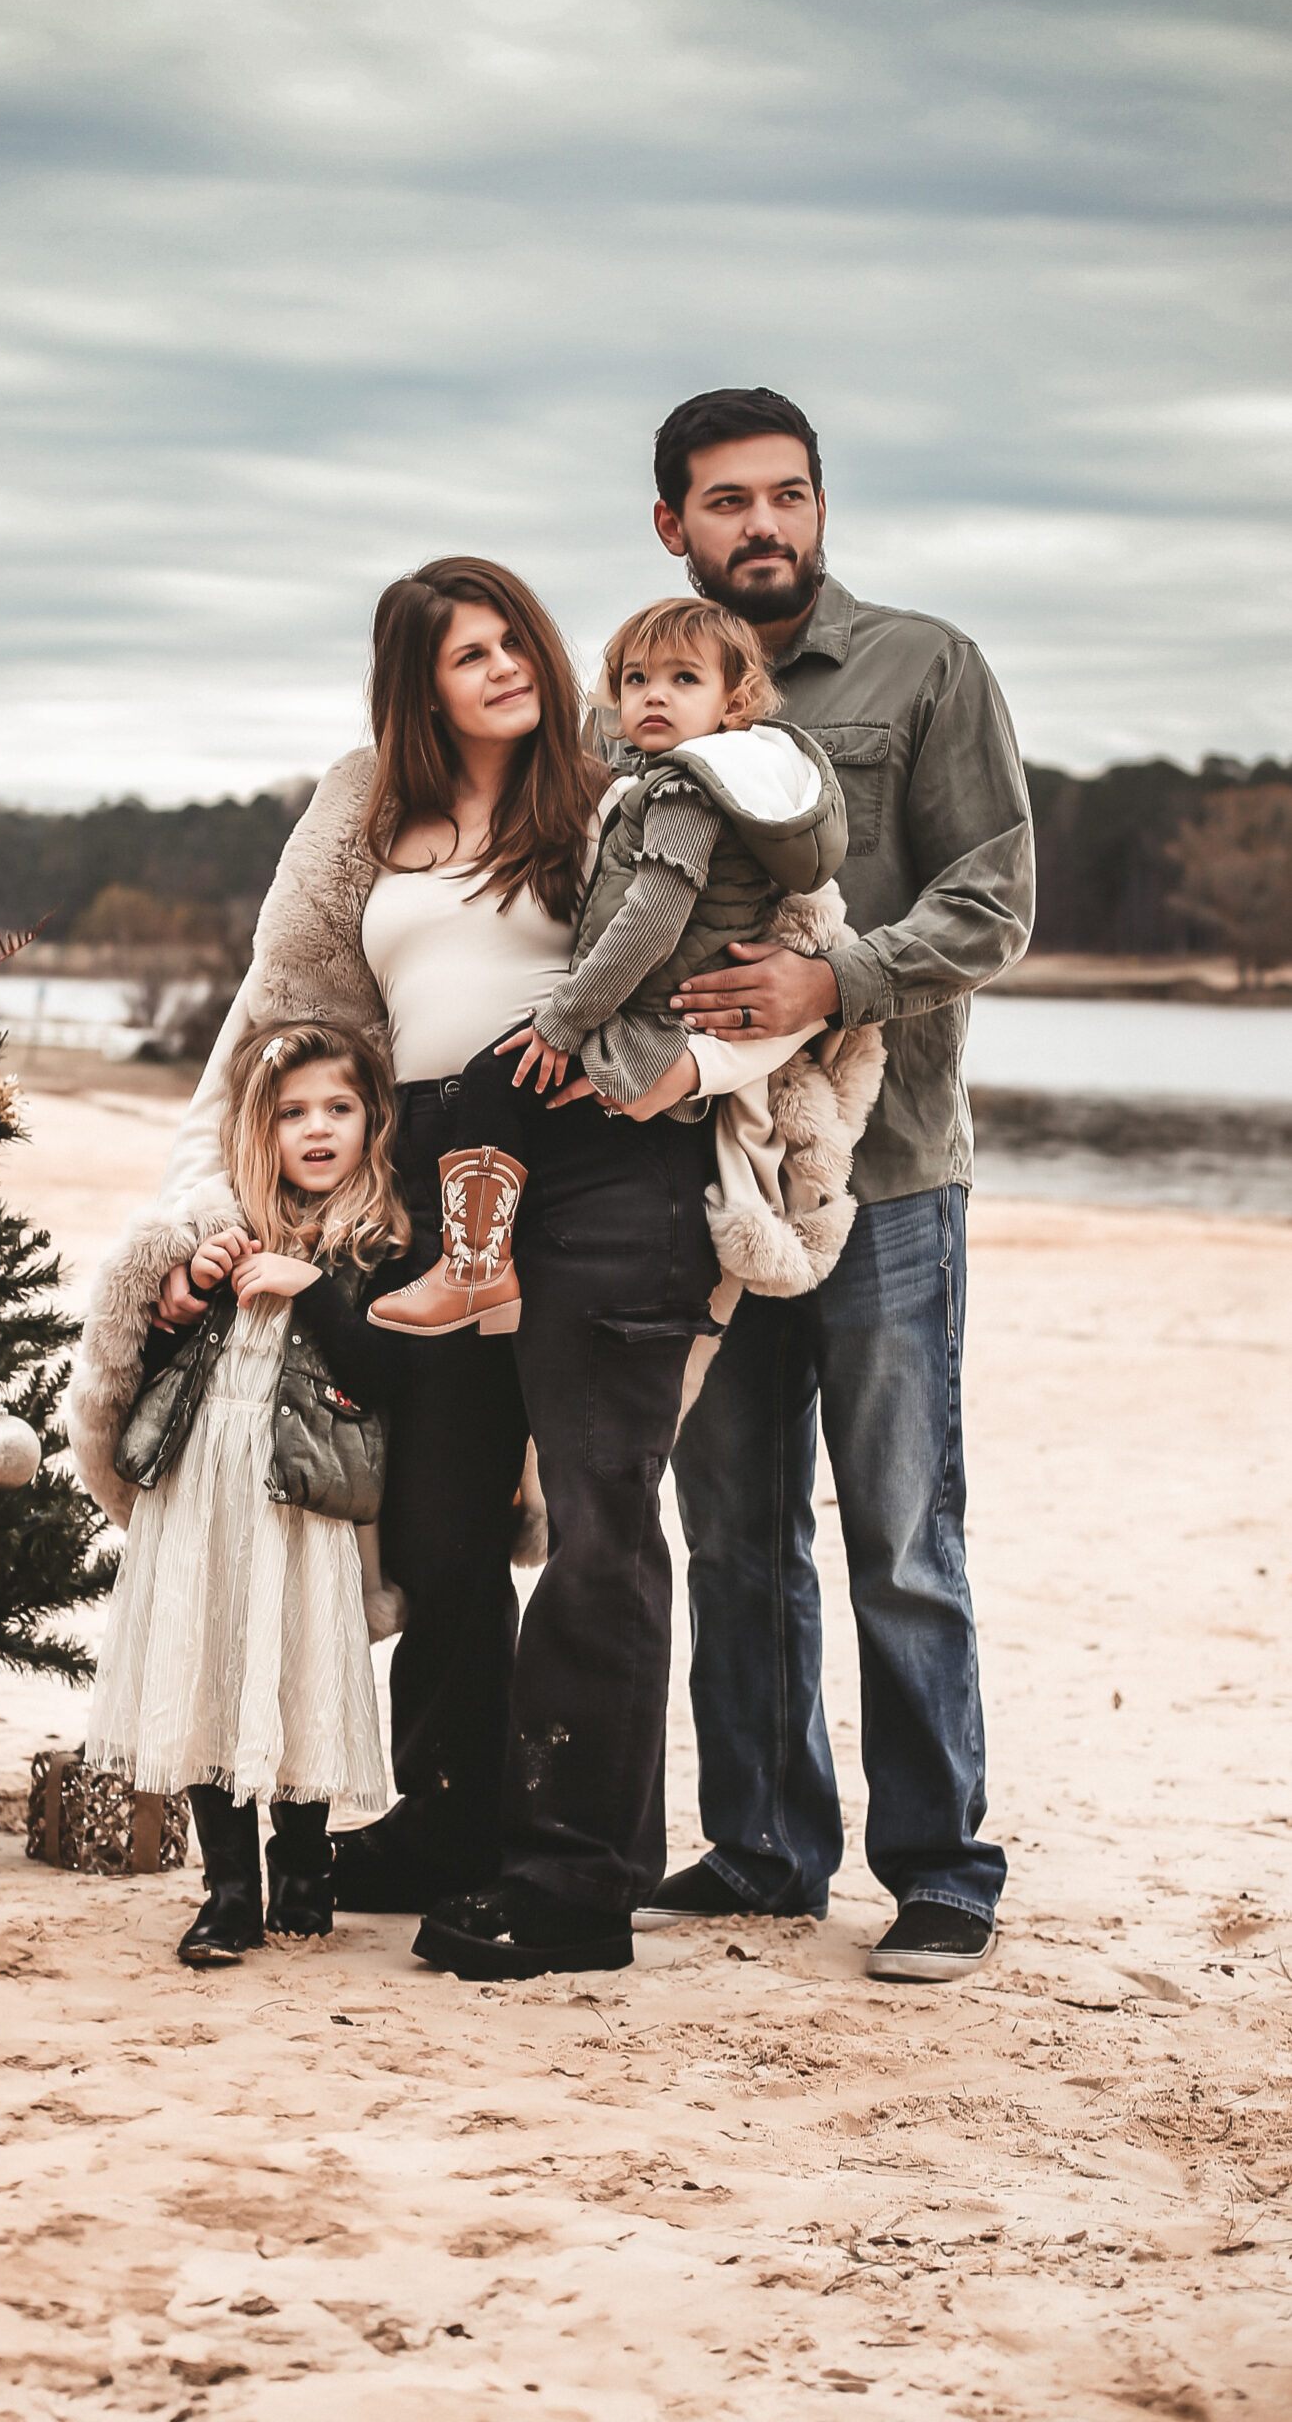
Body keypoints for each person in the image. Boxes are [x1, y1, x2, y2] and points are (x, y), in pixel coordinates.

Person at [70, 557, 816, 1981]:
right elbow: (271, 1027)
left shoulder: (627, 785)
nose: (496, 666)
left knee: (599, 1522)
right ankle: (451, 1820)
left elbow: (791, 964)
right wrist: (195, 1220)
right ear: (413, 682)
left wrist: (696, 1070)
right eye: (459, 651)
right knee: (438, 1528)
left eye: (509, 639)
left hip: (601, 1168)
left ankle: (574, 1881)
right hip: (418, 1181)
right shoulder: (361, 817)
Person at [639, 385, 1035, 1981]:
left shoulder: (920, 667)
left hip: (885, 1178)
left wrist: (833, 983)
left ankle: (938, 1870)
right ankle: (763, 1851)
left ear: (819, 504)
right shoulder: (653, 687)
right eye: (726, 502)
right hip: (706, 1181)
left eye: (786, 495)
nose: (763, 526)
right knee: (731, 1533)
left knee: (898, 1534)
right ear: (672, 521)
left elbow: (993, 897)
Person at [367, 595, 844, 1339]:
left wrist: (563, 1019)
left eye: (683, 679)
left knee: (494, 1078)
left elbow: (651, 921)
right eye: (635, 679)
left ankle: (474, 1269)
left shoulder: (686, 790)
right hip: (642, 1021)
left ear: (735, 702)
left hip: (645, 1031)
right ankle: (478, 1268)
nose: (653, 695)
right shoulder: (667, 788)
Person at [83, 1020, 407, 1968]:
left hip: (304, 1501)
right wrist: (188, 1286)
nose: (316, 1130)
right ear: (253, 1133)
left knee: (295, 1664)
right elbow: (151, 1351)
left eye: (337, 1109)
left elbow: (383, 1375)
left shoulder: (378, 1239)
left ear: (370, 1120)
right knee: (205, 1661)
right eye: (291, 1114)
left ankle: (302, 1866)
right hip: (204, 1488)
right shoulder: (218, 1226)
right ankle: (229, 1889)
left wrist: (311, 1286)